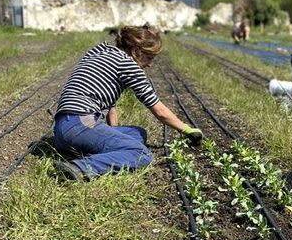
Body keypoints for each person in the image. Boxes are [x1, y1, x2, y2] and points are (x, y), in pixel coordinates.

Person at [52, 25, 202, 181]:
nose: (150, 64)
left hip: (63, 128)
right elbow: (159, 111)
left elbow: (110, 104)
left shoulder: (98, 51)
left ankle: (98, 152)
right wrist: (187, 129)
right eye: (149, 57)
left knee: (139, 133)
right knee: (142, 155)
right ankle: (80, 168)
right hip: (82, 124)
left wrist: (112, 133)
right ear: (136, 51)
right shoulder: (128, 65)